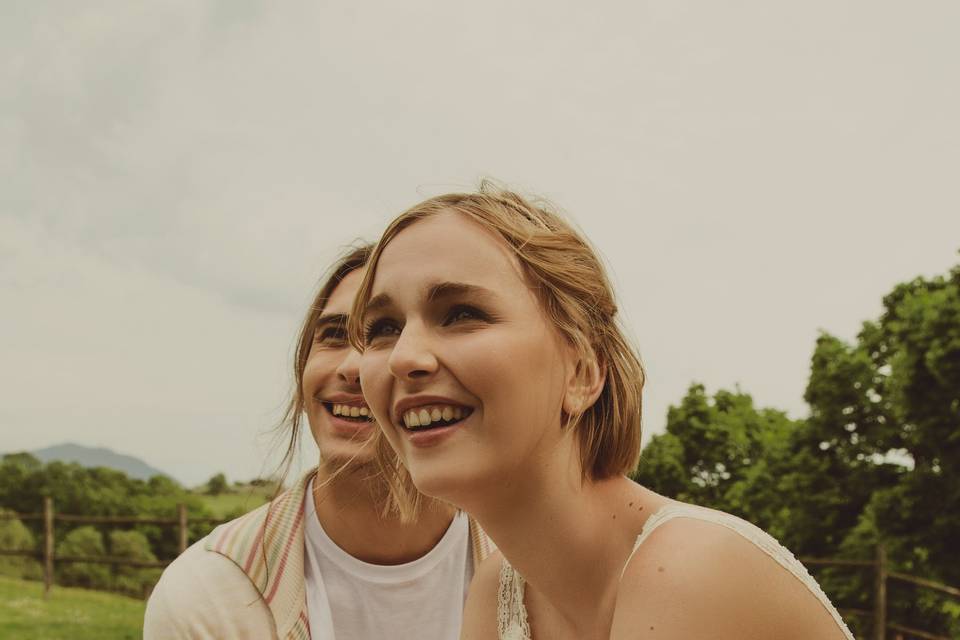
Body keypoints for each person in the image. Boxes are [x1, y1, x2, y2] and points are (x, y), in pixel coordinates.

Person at [349, 185, 855, 640]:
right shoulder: (499, 593)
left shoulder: (687, 571)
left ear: (582, 374)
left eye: (462, 314)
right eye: (383, 329)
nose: (404, 357)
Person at [144, 244, 493, 640]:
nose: (352, 368)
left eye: (386, 334)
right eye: (333, 335)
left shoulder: (532, 569)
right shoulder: (208, 597)